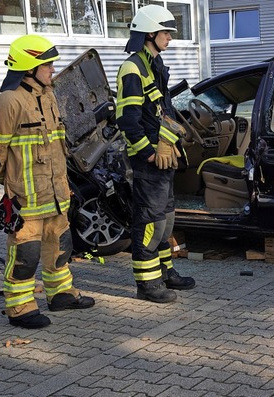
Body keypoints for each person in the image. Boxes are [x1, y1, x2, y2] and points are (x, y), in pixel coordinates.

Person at [0, 34, 95, 328]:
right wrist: (14, 183)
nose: (53, 70)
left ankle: (61, 295)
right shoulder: (8, 101)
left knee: (61, 247)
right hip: (27, 199)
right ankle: (20, 308)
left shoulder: (48, 96)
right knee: (25, 254)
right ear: (30, 67)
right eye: (48, 65)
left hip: (56, 195)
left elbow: (58, 147)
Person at [116, 4, 196, 303]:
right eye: (166, 33)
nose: (170, 38)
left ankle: (166, 272)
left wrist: (171, 142)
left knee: (166, 219)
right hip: (149, 159)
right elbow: (127, 120)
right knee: (150, 221)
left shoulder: (155, 64)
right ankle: (147, 284)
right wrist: (148, 153)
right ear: (150, 33)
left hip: (165, 155)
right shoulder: (133, 68)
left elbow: (161, 110)